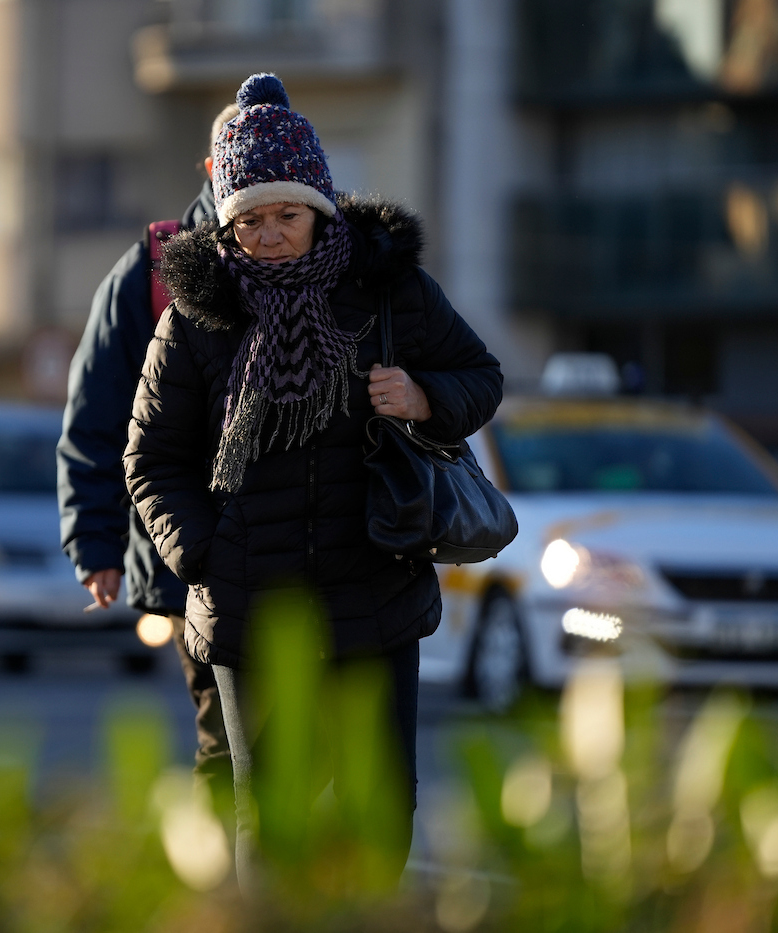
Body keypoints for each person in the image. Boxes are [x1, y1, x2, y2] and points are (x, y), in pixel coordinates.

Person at [123, 74, 503, 881]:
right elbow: (150, 456)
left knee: (378, 811)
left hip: (376, 587)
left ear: (321, 207)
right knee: (272, 827)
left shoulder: (388, 292)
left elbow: (480, 374)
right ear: (225, 221)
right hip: (248, 605)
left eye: (286, 214)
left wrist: (425, 396)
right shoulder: (194, 317)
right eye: (249, 219)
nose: (268, 236)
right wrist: (201, 551)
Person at [58, 104, 240, 794]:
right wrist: (96, 543)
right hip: (188, 547)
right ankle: (234, 891)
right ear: (209, 169)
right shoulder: (154, 267)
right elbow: (96, 414)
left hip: (302, 550)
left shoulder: (318, 257)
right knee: (226, 736)